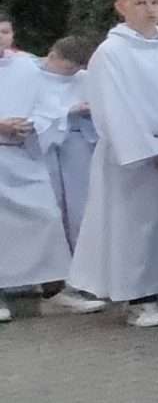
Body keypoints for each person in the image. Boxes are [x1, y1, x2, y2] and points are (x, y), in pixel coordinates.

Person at [65, 0, 158, 328]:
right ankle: (138, 298)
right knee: (136, 227)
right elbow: (113, 108)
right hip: (136, 153)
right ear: (121, 7)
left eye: (154, 2)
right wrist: (154, 153)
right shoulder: (111, 53)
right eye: (139, 3)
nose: (149, 10)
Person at [0, 20, 74, 323]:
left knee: (47, 217)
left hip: (24, 154)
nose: (1, 37)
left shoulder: (27, 67)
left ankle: (54, 290)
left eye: (5, 31)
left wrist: (32, 125)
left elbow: (49, 106)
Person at [33, 36, 101, 307]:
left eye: (77, 68)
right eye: (68, 67)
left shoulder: (84, 79)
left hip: (79, 141)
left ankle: (85, 276)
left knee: (82, 208)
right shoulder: (32, 76)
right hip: (45, 145)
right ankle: (53, 280)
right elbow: (33, 112)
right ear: (53, 56)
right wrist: (67, 111)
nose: (72, 73)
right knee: (52, 207)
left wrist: (86, 111)